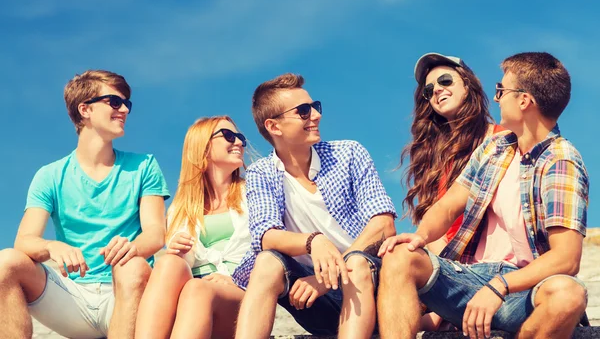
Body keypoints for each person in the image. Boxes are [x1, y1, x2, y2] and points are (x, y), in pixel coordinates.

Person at [377, 52, 588, 339]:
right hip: (472, 278)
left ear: (524, 100)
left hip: (523, 290)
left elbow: (567, 259)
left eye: (502, 90)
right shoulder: (495, 148)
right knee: (401, 254)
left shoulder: (561, 160)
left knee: (568, 295)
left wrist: (499, 285)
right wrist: (421, 236)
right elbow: (449, 205)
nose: (497, 97)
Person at [0, 70, 169, 339]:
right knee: (5, 261)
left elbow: (155, 234)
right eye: (114, 102)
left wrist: (132, 247)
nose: (124, 109)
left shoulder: (144, 166)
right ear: (85, 109)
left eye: (127, 103)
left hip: (125, 291)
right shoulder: (50, 175)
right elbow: (24, 241)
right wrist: (52, 246)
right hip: (72, 297)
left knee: (133, 265)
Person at [234, 73, 397, 339]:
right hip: (311, 297)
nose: (316, 115)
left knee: (357, 265)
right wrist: (313, 241)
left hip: (369, 286)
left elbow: (383, 224)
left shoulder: (349, 153)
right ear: (274, 127)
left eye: (315, 107)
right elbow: (266, 236)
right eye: (303, 111)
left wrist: (329, 276)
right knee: (266, 262)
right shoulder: (260, 173)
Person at [404, 53, 503, 330]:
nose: (436, 90)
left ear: (467, 85)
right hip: (448, 264)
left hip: (493, 264)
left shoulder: (502, 138)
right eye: (428, 89)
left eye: (445, 80)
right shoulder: (431, 156)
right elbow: (429, 217)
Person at [135, 116, 251, 339]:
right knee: (169, 262)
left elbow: (268, 249)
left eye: (240, 137)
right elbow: (184, 265)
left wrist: (236, 278)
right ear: (203, 147)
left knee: (197, 289)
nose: (238, 142)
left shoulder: (254, 192)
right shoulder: (182, 205)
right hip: (192, 299)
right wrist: (180, 252)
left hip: (238, 295)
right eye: (228, 136)